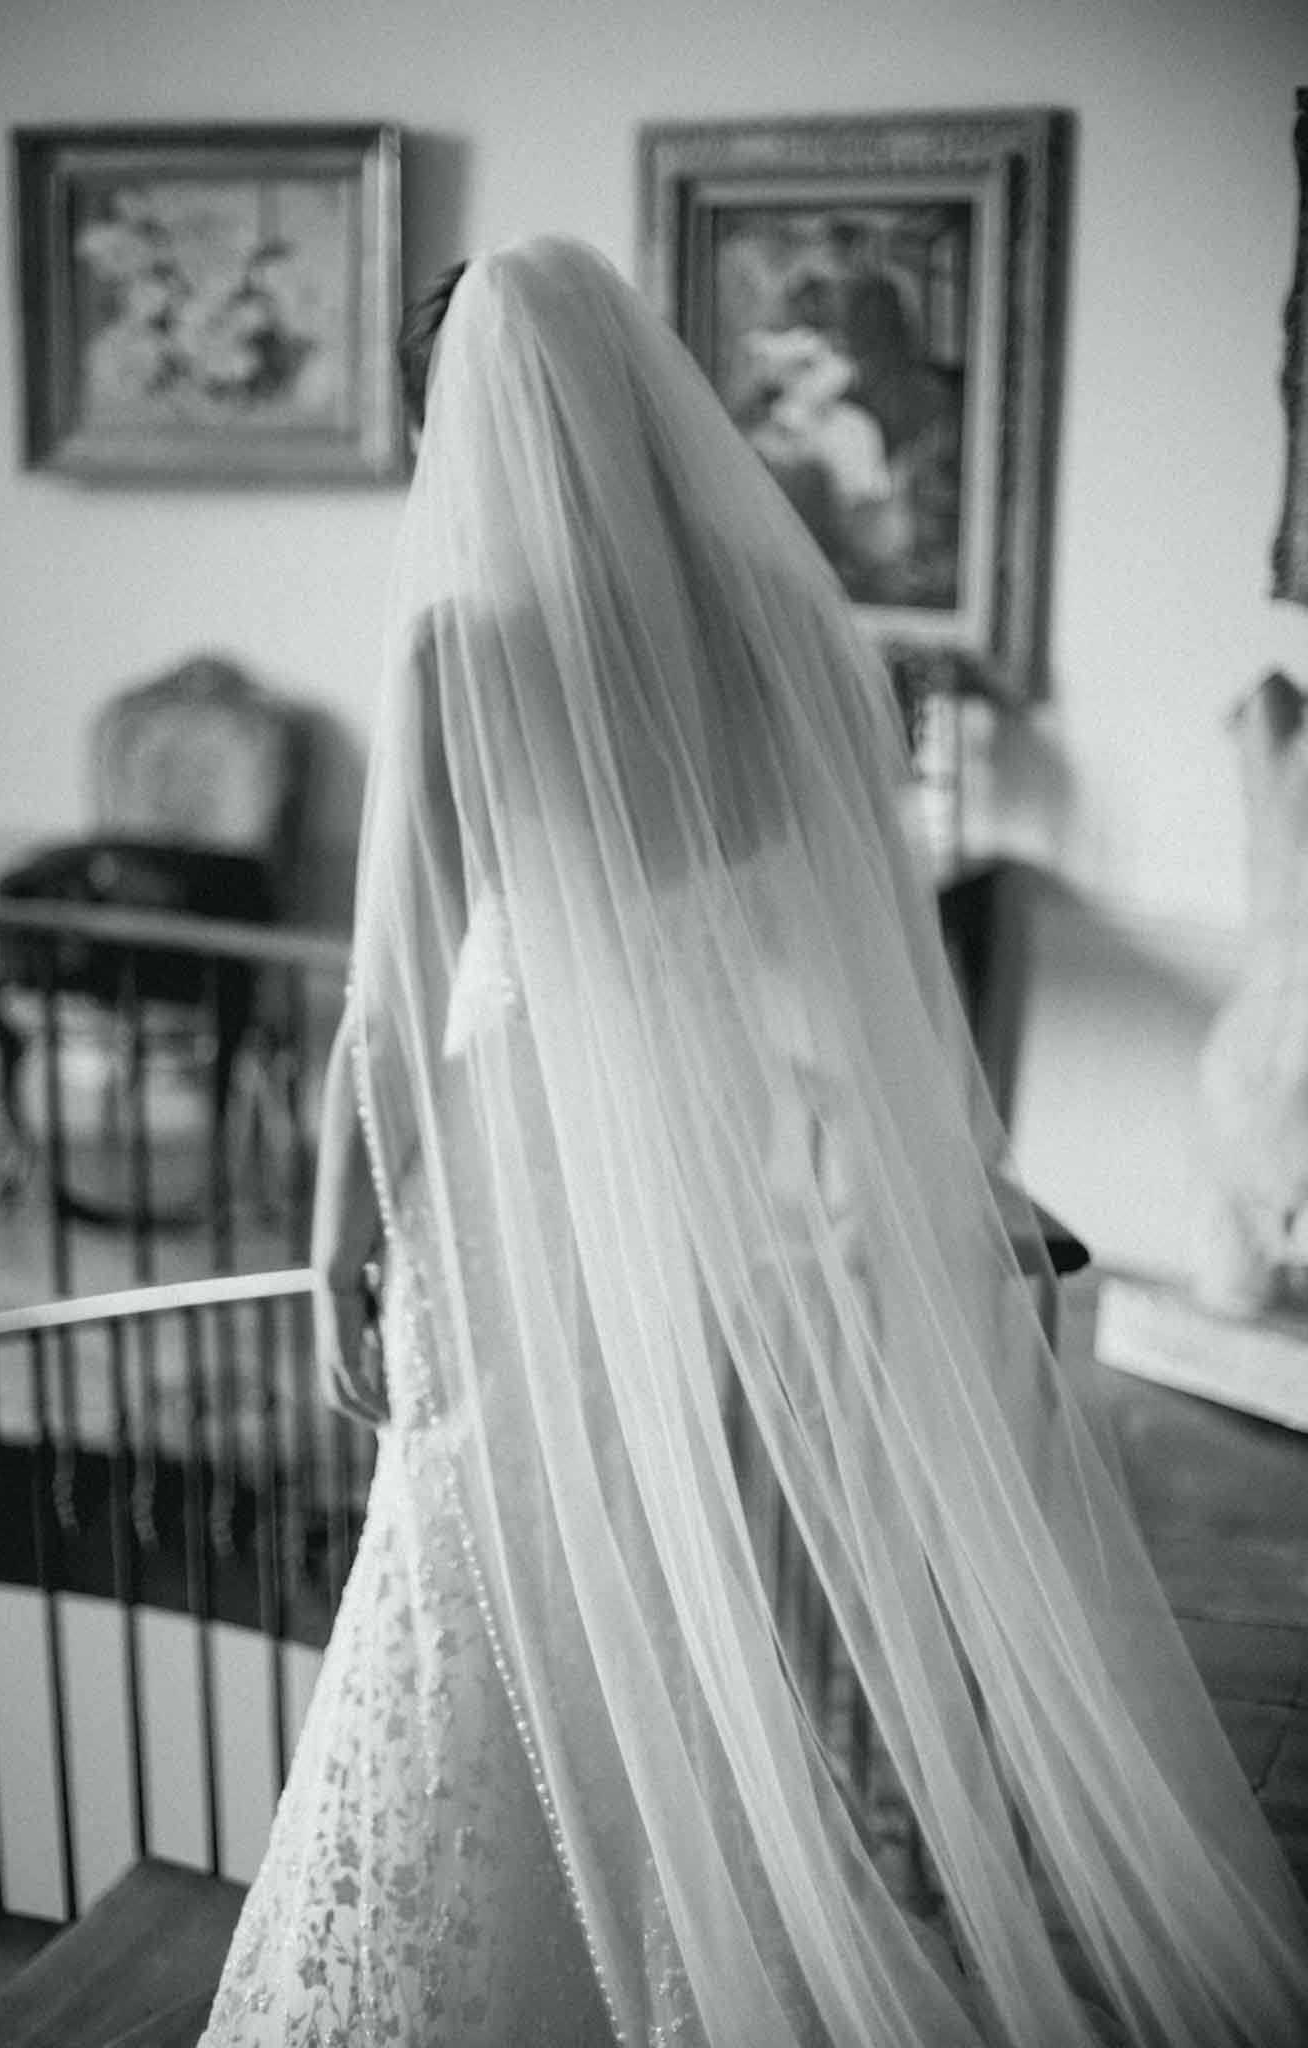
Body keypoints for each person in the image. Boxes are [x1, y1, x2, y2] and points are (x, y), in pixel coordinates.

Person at [198, 236, 1308, 2046]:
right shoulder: (785, 629)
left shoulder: (459, 647)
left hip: (493, 1192)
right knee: (658, 1592)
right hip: (691, 1210)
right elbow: (846, 968)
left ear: (455, 432)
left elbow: (389, 1007)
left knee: (464, 1596)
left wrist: (342, 1241)